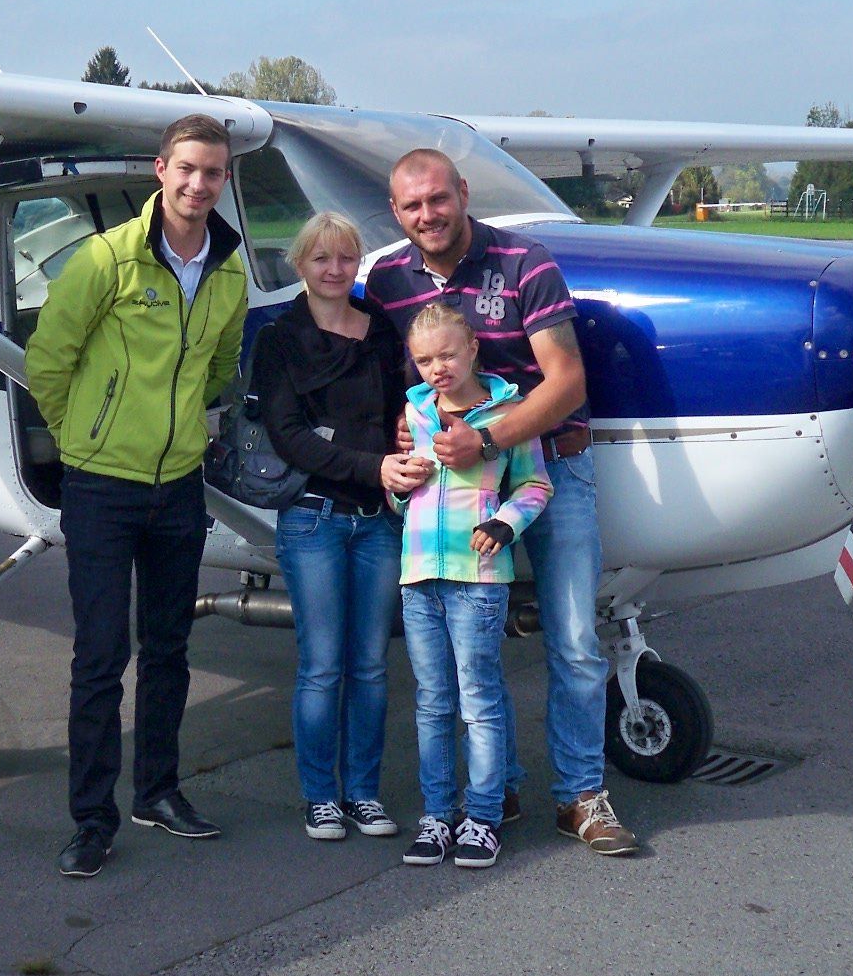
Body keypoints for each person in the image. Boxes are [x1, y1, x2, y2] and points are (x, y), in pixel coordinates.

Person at [364, 148, 640, 857]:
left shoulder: (525, 263)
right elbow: (395, 381)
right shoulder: (389, 280)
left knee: (573, 640)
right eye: (412, 205)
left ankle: (580, 796)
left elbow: (567, 381)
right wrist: (401, 429)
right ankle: (499, 788)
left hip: (549, 469)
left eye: (438, 198)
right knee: (474, 649)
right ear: (395, 212)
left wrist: (487, 441)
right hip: (453, 494)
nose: (428, 214)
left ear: (462, 192)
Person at [25, 113, 249, 879]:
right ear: (161, 170)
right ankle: (92, 820)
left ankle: (157, 792)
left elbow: (219, 367)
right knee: (99, 657)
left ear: (224, 180)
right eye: (186, 168)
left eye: (212, 172)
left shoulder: (228, 271)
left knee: (169, 650)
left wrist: (178, 430)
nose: (198, 184)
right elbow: (48, 360)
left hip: (178, 486)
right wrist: (83, 437)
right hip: (101, 486)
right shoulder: (107, 258)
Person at [251, 212, 423, 843]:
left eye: (346, 258)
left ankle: (363, 793)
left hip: (377, 522)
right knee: (323, 665)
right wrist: (372, 466)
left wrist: (406, 433)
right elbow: (289, 436)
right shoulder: (280, 338)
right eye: (321, 258)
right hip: (313, 519)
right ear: (300, 264)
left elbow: (404, 407)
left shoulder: (380, 331)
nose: (334, 269)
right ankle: (320, 796)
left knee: (371, 666)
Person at [392, 302, 552, 869]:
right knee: (432, 702)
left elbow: (535, 484)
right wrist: (398, 484)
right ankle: (437, 815)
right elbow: (404, 495)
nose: (437, 368)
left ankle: (483, 817)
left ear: (473, 350)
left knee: (478, 699)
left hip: (478, 580)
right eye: (424, 360)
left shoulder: (507, 413)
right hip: (418, 576)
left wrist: (505, 523)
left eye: (447, 355)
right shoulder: (415, 413)